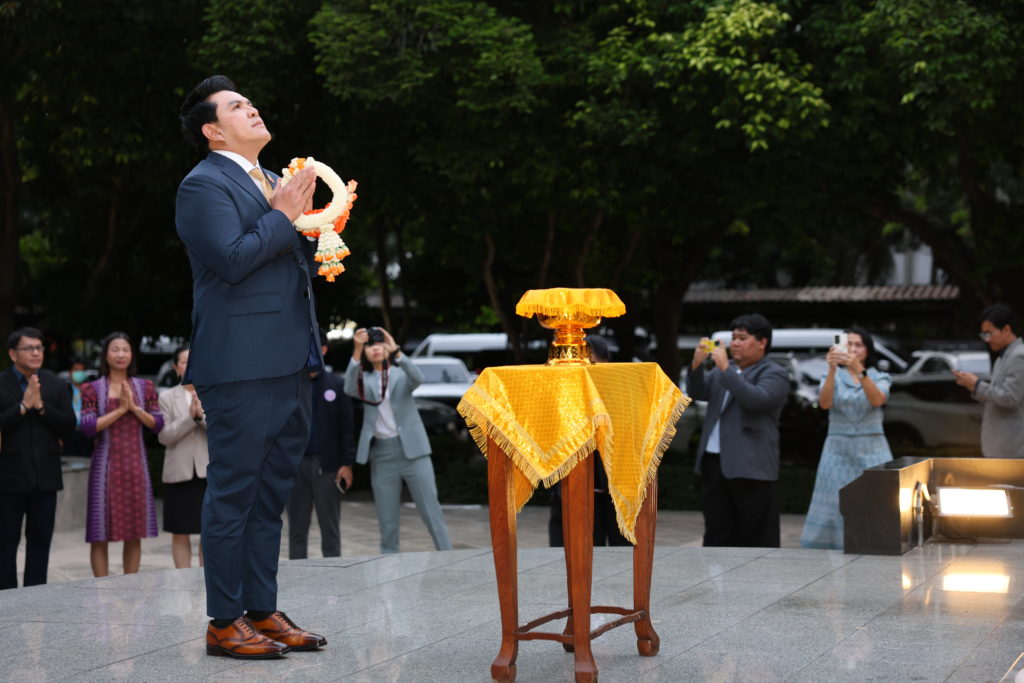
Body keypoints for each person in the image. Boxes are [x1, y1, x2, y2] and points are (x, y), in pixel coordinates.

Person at [176, 74, 326, 659]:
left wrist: (315, 226)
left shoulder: (270, 180)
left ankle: (261, 610)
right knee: (234, 494)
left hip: (292, 360)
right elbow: (233, 261)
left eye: (250, 101)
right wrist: (284, 214)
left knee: (270, 497)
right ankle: (223, 620)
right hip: (241, 364)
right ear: (212, 131)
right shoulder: (201, 185)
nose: (252, 108)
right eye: (237, 106)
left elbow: (288, 261)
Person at [344, 326, 452, 554]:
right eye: (370, 346)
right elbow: (349, 388)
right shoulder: (365, 379)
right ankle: (389, 563)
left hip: (414, 451)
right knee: (387, 519)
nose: (375, 349)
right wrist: (356, 349)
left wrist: (397, 351)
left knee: (431, 511)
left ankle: (447, 555)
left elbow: (418, 378)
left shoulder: (401, 373)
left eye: (379, 344)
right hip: (382, 453)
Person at [687, 314, 789, 547]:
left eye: (743, 338)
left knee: (755, 536)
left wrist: (725, 369)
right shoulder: (724, 370)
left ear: (762, 342)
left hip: (751, 464)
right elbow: (697, 393)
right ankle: (715, 572)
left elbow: (756, 400)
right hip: (715, 460)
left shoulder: (774, 372)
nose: (735, 343)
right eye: (733, 338)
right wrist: (696, 365)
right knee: (716, 531)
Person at [79, 332, 164, 577]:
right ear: (106, 355)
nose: (121, 354)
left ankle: (131, 585)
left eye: (125, 350)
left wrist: (134, 408)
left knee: (134, 531)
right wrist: (120, 410)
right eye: (115, 349)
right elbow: (88, 427)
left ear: (132, 355)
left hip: (136, 465)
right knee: (99, 533)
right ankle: (100, 586)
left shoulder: (145, 387)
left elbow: (158, 424)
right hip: (105, 467)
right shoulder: (92, 388)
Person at [800, 327, 892, 549]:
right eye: (848, 344)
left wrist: (859, 370)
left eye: (858, 345)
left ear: (867, 350)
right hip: (837, 449)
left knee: (875, 498)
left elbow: (877, 400)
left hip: (872, 448)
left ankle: (877, 545)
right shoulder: (831, 376)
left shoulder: (879, 376)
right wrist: (832, 369)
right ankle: (833, 546)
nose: (852, 349)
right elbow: (825, 403)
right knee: (834, 501)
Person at [0, 327, 75, 589]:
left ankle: (36, 597)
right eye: (29, 348)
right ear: (13, 354)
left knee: (41, 543)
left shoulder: (55, 384)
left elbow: (69, 425)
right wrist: (23, 406)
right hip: (8, 478)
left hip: (45, 477)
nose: (35, 353)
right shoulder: (2, 383)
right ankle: (6, 598)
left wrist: (41, 407)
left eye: (39, 348)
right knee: (5, 543)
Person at [548, 335, 629, 547]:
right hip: (571, 484)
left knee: (620, 550)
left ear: (605, 360)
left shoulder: (619, 389)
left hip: (613, 486)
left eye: (589, 357)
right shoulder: (563, 387)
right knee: (571, 545)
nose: (582, 363)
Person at [286, 331, 357, 559]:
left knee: (330, 527)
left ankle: (334, 572)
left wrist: (347, 464)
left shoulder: (337, 384)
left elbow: (347, 428)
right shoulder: (291, 386)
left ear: (323, 350)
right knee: (297, 529)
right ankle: (297, 572)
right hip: (296, 466)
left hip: (328, 466)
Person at [157, 345, 209, 569]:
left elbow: (222, 431)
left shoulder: (213, 393)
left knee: (209, 530)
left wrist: (200, 417)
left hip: (208, 472)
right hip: (179, 472)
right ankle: (183, 578)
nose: (190, 366)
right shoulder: (166, 397)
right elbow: (164, 436)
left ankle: (208, 578)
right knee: (180, 531)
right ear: (176, 367)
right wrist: (189, 418)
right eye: (185, 361)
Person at [953, 305, 1024, 458]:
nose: (987, 339)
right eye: (983, 334)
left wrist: (977, 385)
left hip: (1012, 448)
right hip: (1004, 446)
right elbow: (998, 396)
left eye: (989, 333)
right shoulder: (1004, 357)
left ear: (1006, 329)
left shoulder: (1019, 356)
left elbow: (1011, 398)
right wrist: (972, 385)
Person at [63, 357, 95, 458]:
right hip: (69, 433)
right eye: (76, 370)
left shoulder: (91, 390)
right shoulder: (64, 390)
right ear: (70, 373)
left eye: (81, 370)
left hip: (87, 433)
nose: (79, 373)